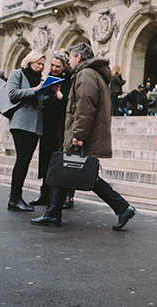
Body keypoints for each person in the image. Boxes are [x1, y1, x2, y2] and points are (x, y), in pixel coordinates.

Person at [31, 43, 137, 229]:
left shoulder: (86, 74)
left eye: (70, 57)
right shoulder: (91, 74)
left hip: (83, 133)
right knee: (70, 171)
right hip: (86, 132)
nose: (69, 62)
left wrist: (78, 134)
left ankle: (122, 207)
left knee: (75, 172)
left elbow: (85, 106)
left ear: (78, 57)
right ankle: (54, 213)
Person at [29, 51, 75, 209]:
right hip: (48, 123)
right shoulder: (49, 77)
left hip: (62, 125)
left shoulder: (70, 80)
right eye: (52, 65)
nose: (54, 69)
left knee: (63, 160)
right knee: (47, 158)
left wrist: (60, 96)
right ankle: (45, 193)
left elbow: (71, 103)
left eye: (58, 66)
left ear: (64, 67)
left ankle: (68, 195)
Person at [6, 50, 46, 212]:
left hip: (35, 124)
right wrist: (36, 90)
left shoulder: (41, 79)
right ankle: (14, 198)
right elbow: (12, 94)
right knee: (22, 160)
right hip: (21, 123)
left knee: (26, 160)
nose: (41, 67)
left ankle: (16, 197)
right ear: (30, 61)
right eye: (38, 64)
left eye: (43, 64)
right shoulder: (17, 74)